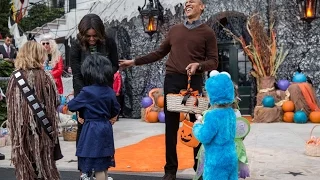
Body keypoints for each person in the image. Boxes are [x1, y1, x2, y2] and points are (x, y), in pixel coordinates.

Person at [119, 0, 218, 179]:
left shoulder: (207, 32)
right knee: (171, 128)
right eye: (186, 2)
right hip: (172, 80)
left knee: (197, 126)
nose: (188, 4)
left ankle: (200, 170)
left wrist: (199, 65)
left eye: (192, 1)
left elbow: (214, 61)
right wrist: (134, 62)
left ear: (202, 6)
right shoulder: (175, 30)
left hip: (193, 82)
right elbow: (158, 53)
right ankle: (170, 170)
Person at [70, 14, 119, 179]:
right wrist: (82, 103)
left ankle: (102, 169)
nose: (91, 39)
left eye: (95, 35)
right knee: (83, 132)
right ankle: (84, 171)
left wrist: (102, 79)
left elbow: (114, 65)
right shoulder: (76, 45)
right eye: (88, 36)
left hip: (104, 91)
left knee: (103, 133)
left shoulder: (109, 42)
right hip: (84, 93)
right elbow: (76, 75)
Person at [6, 41, 61, 180]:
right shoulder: (46, 76)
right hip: (43, 129)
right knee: (45, 165)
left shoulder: (15, 77)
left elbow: (11, 104)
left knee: (27, 167)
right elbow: (55, 102)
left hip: (22, 131)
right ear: (39, 55)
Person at [193, 71, 238, 180]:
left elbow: (205, 136)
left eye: (207, 93)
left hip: (216, 159)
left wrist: (197, 126)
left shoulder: (212, 116)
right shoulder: (231, 112)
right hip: (231, 156)